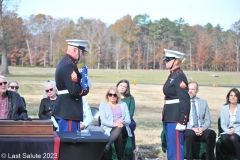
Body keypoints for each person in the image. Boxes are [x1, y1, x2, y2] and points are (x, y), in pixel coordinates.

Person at [162, 49, 190, 160]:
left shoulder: (179, 76)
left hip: (176, 117)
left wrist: (183, 120)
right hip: (169, 115)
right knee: (171, 148)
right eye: (165, 59)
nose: (165, 62)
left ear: (176, 61)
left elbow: (185, 99)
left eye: (168, 60)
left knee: (177, 149)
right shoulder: (172, 75)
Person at [184, 81, 216, 160]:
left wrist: (202, 128)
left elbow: (208, 120)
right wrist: (192, 128)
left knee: (211, 133)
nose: (190, 91)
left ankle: (209, 158)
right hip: (189, 129)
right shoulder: (183, 103)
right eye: (188, 89)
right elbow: (180, 121)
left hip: (200, 129)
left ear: (197, 90)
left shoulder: (203, 103)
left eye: (192, 89)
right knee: (190, 133)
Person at [99, 86, 132, 160]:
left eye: (115, 95)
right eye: (110, 94)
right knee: (118, 135)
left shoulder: (123, 105)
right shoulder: (103, 105)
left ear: (118, 96)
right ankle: (120, 158)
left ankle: (108, 144)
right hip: (108, 128)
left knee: (120, 127)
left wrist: (123, 121)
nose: (112, 96)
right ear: (107, 95)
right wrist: (114, 124)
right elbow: (103, 120)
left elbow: (128, 120)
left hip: (123, 127)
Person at [219, 88, 240, 159]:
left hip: (238, 131)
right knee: (224, 138)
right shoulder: (224, 108)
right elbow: (223, 124)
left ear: (238, 98)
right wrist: (229, 131)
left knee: (233, 138)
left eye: (235, 95)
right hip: (227, 131)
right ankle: (236, 153)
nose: (233, 97)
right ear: (228, 97)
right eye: (231, 95)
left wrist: (235, 129)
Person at [116, 79, 136, 150]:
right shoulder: (112, 96)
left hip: (128, 121)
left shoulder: (130, 99)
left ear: (127, 89)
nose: (122, 87)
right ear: (117, 86)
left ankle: (130, 150)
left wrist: (122, 121)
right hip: (114, 121)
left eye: (124, 87)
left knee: (127, 128)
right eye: (121, 85)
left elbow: (130, 114)